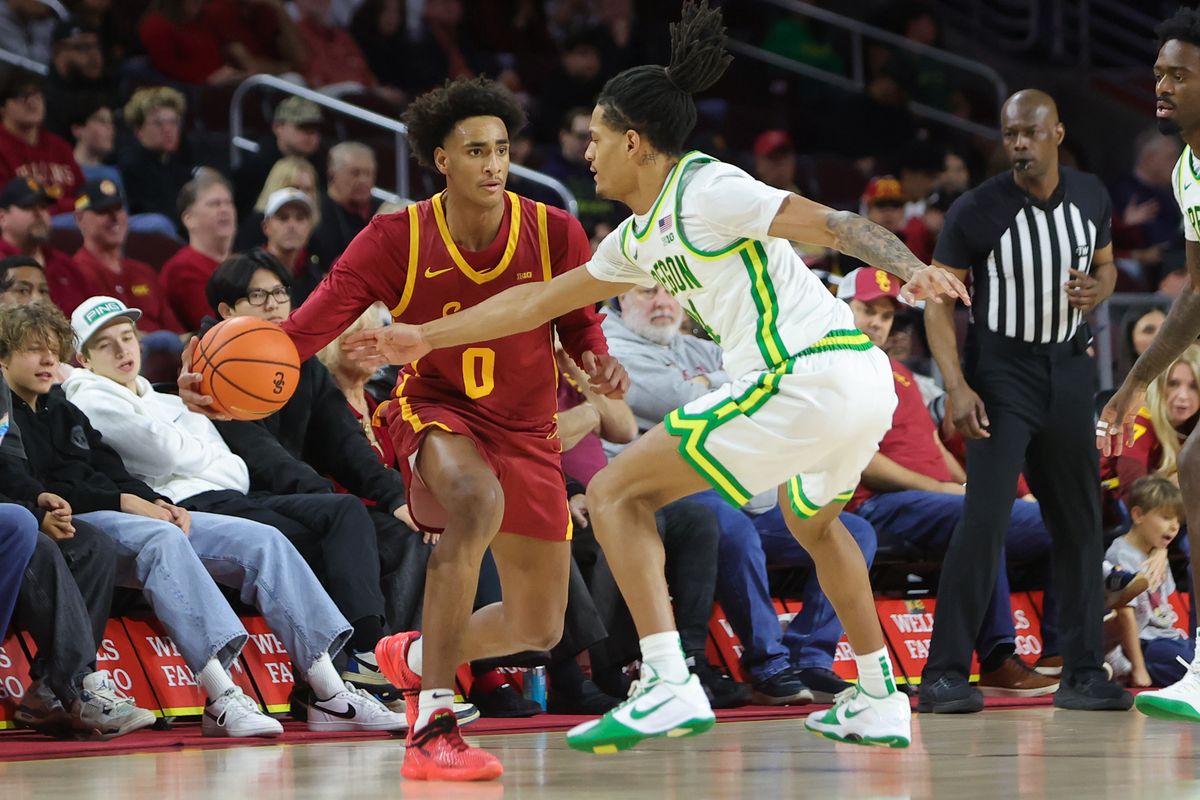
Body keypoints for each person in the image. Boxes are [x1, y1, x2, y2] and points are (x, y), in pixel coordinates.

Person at [320, 1, 973, 755]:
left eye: (596, 140)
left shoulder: (707, 190)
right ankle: (879, 693)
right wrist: (423, 335)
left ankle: (667, 679)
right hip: (857, 387)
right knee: (814, 522)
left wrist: (908, 265)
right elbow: (534, 300)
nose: (587, 155)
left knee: (613, 492)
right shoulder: (638, 236)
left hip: (806, 374)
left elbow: (831, 224)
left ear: (633, 141)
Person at [263, 75, 617, 781]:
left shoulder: (555, 230)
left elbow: (579, 325)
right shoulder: (396, 236)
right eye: (476, 150)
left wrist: (597, 367)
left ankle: (414, 656)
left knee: (539, 626)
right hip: (437, 411)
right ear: (440, 159)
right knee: (476, 501)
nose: (493, 164)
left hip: (527, 428)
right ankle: (432, 721)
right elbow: (309, 326)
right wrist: (226, 385)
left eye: (503, 149)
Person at [922, 88, 1128, 712]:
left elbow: (1109, 265)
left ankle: (1083, 672)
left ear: (1056, 134)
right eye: (1009, 133)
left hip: (1067, 370)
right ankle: (945, 674)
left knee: (1079, 523)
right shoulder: (977, 209)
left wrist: (1100, 287)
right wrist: (956, 384)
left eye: (1029, 133)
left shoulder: (1091, 194)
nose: (1017, 144)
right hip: (1000, 374)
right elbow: (938, 297)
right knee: (983, 522)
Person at [602, 280, 877, 704]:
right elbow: (674, 399)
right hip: (678, 497)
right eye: (646, 292)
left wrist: (713, 383)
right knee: (729, 526)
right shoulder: (610, 343)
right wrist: (727, 384)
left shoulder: (694, 346)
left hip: (750, 490)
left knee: (854, 531)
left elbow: (766, 386)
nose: (661, 301)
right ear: (622, 299)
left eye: (668, 292)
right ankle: (768, 664)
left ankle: (812, 658)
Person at [204, 252, 440, 687]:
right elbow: (258, 454)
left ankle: (403, 666)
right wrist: (324, 497)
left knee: (410, 534)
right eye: (258, 295)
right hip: (238, 498)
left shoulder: (300, 360)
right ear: (226, 311)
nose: (275, 304)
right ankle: (363, 658)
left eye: (280, 293)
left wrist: (395, 498)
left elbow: (344, 444)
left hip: (297, 496)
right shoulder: (210, 362)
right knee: (344, 521)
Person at [840, 267, 1059, 703]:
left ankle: (1059, 651)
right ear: (838, 305)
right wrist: (949, 493)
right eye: (866, 310)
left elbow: (934, 448)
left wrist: (975, 485)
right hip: (878, 505)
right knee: (978, 517)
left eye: (885, 316)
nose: (876, 323)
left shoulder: (897, 372)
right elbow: (863, 461)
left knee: (1058, 519)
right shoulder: (837, 368)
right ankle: (997, 656)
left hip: (938, 502)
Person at [1106, 476, 1192, 688]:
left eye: (1177, 521)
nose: (1174, 527)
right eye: (1166, 517)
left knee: (1191, 655)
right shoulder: (1120, 554)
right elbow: (1124, 613)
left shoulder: (1157, 553)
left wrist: (1161, 551)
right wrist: (1139, 668)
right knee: (1189, 665)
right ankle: (1123, 669)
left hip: (1168, 637)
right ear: (1137, 515)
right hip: (1145, 643)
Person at [71, 179, 183, 337]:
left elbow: (176, 332)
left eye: (118, 209)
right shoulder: (73, 273)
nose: (114, 218)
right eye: (103, 211)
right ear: (79, 218)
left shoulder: (145, 272)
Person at [1105, 345, 1200, 502]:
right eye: (1174, 384)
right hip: (1111, 514)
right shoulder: (1137, 421)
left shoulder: (1190, 427)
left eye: (1194, 386)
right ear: (1159, 386)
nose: (1183, 395)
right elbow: (1134, 495)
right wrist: (1173, 489)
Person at [0, 69, 85, 217]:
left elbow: (85, 198)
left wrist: (78, 206)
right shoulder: (3, 146)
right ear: (2, 107)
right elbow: (7, 206)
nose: (32, 102)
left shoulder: (60, 146)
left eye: (37, 95)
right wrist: (67, 205)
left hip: (71, 226)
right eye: (22, 96)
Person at [161, 170, 237, 331]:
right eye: (214, 204)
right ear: (189, 219)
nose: (224, 209)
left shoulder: (243, 262)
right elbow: (215, 327)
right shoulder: (182, 268)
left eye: (228, 203)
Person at [0, 178, 88, 313]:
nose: (39, 214)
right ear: (2, 217)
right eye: (28, 206)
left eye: (43, 207)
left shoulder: (65, 264)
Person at [232, 97, 325, 220]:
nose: (311, 133)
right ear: (277, 127)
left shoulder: (321, 164)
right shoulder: (256, 165)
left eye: (316, 128)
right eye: (302, 126)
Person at [119, 87, 194, 225]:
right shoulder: (132, 166)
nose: (168, 129)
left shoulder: (178, 164)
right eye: (158, 123)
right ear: (138, 131)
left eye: (173, 122)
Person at [307, 142, 382, 267]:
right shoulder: (316, 211)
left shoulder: (382, 210)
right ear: (332, 175)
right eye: (355, 173)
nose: (363, 180)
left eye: (368, 173)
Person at [235, 156, 322, 252]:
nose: (300, 194)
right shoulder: (253, 231)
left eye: (308, 189)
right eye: (295, 188)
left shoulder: (318, 236)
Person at [261, 187, 325, 304]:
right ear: (266, 226)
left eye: (300, 218)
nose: (292, 225)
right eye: (283, 218)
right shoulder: (251, 271)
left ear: (310, 227)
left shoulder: (317, 276)